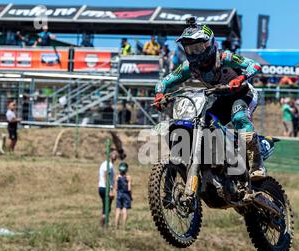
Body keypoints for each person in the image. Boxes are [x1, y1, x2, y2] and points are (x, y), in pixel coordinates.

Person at [153, 18, 266, 181]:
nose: (195, 52)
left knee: (239, 117)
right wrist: (159, 94)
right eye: (190, 49)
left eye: (198, 47)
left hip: (243, 95)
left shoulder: (225, 57)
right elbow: (164, 81)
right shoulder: (189, 67)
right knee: (203, 124)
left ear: (210, 44)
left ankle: (257, 165)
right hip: (221, 99)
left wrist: (240, 78)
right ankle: (213, 164)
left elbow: (254, 65)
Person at [98, 149, 118, 227]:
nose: (116, 155)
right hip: (105, 188)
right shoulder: (108, 164)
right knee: (106, 208)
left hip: (102, 187)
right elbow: (106, 176)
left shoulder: (106, 164)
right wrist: (110, 190)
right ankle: (103, 225)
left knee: (106, 207)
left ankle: (104, 224)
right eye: (114, 153)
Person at [114, 162, 132, 230]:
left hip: (119, 194)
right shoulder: (128, 177)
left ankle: (116, 226)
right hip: (126, 195)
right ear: (126, 169)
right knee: (125, 209)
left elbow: (115, 188)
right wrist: (130, 196)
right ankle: (123, 227)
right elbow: (129, 188)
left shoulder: (117, 177)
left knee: (118, 209)